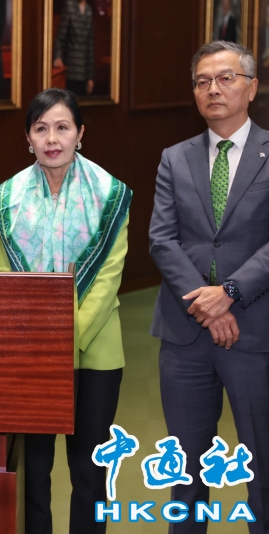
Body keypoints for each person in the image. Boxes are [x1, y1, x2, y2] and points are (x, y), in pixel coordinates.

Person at [0, 88, 131, 534]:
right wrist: (40, 344)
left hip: (95, 350)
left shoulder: (111, 194)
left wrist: (64, 341)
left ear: (80, 133)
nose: (52, 139)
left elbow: (108, 278)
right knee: (34, 467)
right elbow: (3, 277)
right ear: (28, 137)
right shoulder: (5, 198)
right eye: (41, 128)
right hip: (29, 352)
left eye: (62, 127)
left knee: (89, 469)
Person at [149, 40, 269, 534]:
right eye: (202, 82)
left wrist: (231, 292)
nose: (212, 89)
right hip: (185, 337)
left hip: (255, 333)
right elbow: (162, 239)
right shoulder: (174, 158)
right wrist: (208, 305)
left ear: (251, 87)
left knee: (262, 471)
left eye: (225, 78)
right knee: (186, 475)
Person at [53, 0, 95, 97]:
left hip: (84, 72)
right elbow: (60, 38)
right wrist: (58, 57)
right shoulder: (69, 6)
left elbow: (90, 46)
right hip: (71, 71)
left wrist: (90, 77)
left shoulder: (89, 10)